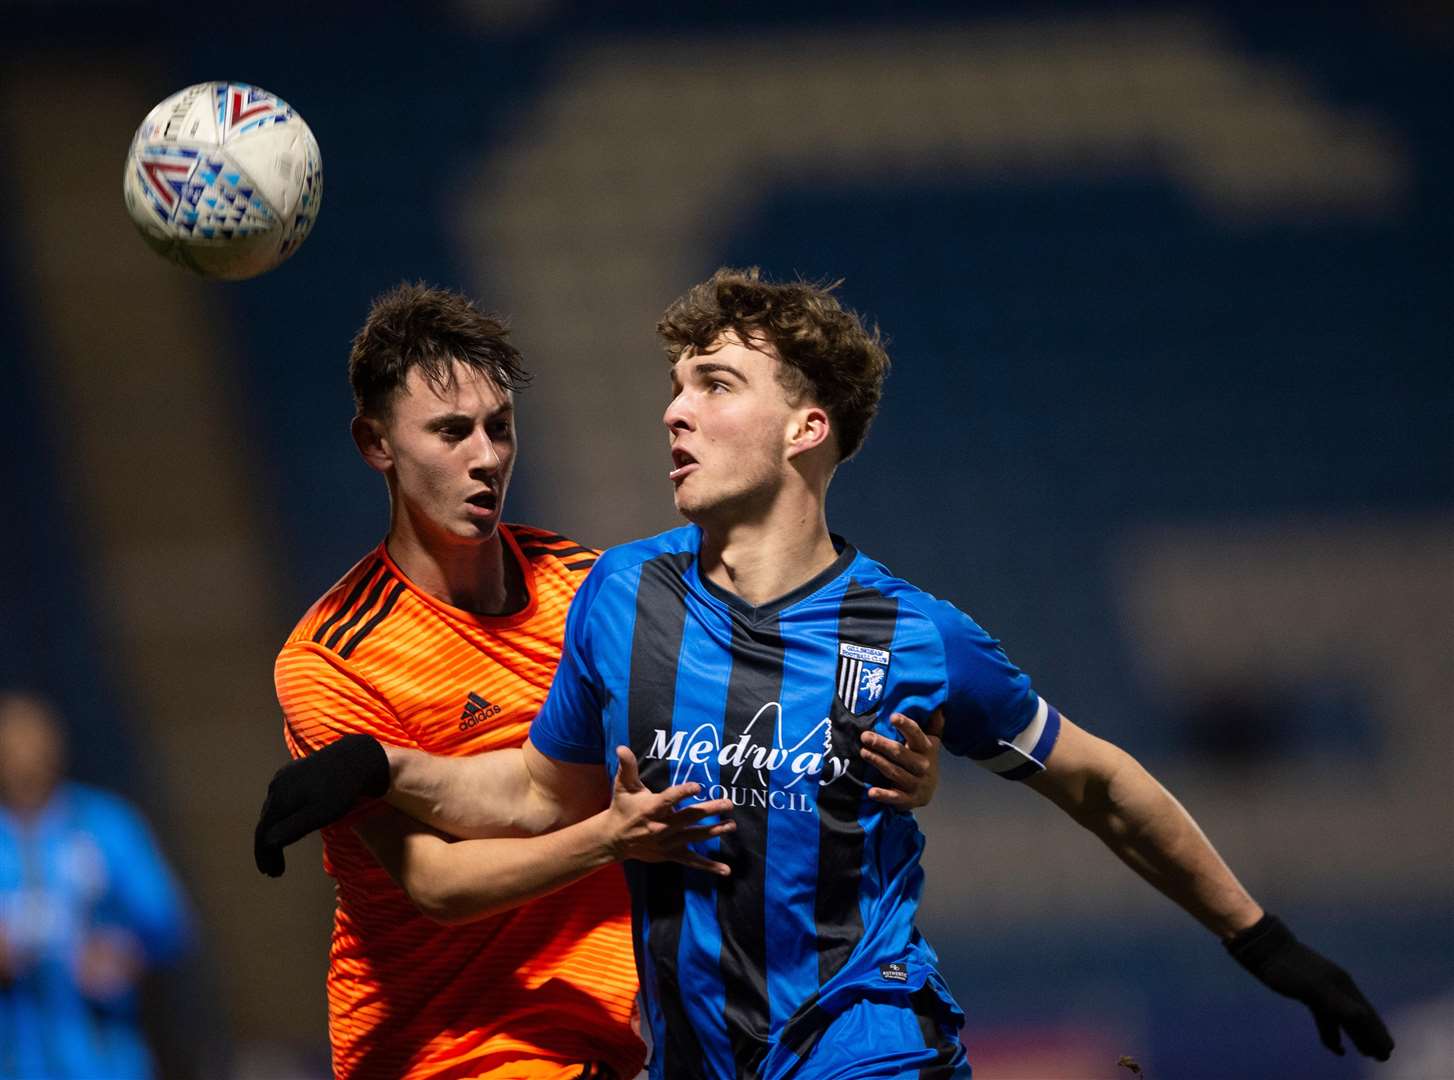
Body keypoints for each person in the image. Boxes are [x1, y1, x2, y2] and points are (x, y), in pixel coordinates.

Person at [257, 269, 1394, 1078]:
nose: (673, 408)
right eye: (675, 384)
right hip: (684, 1052)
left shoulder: (913, 636)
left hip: (862, 1034)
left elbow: (1095, 781)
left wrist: (1260, 940)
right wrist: (376, 765)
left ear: (804, 427)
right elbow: (533, 792)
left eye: (711, 384)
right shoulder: (625, 597)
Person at [264, 282, 943, 1080]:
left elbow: (740, 715)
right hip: (448, 1046)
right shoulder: (333, 659)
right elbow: (436, 883)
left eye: (500, 429)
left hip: (609, 1038)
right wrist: (610, 838)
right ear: (376, 443)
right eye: (451, 433)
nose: (484, 458)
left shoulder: (593, 588)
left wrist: (890, 766)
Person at [0, 691, 192, 1080]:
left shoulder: (106, 823)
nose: (25, 755)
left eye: (34, 740)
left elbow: (169, 923)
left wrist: (122, 951)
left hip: (106, 1057)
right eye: (11, 743)